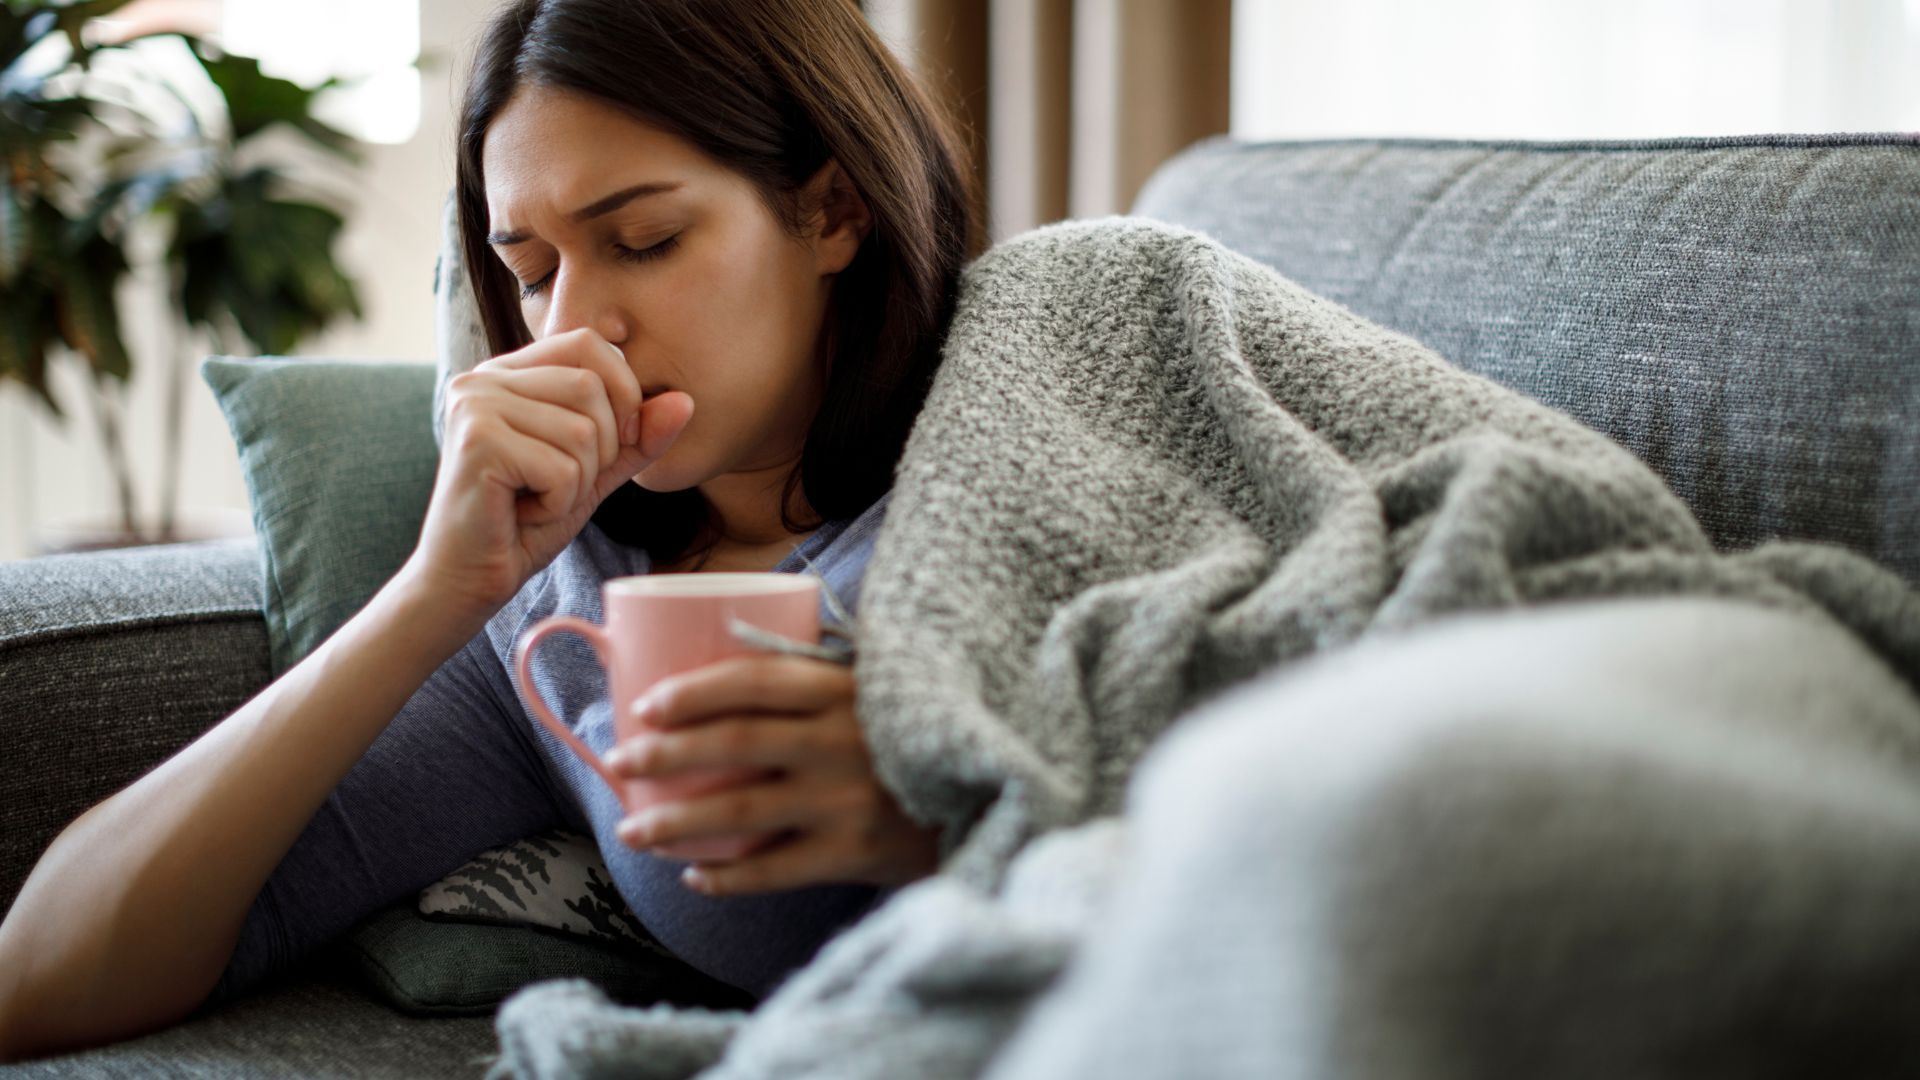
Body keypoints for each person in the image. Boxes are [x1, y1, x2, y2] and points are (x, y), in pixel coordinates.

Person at [0, 0, 976, 1061]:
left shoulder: (1033, 448)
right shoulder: (557, 621)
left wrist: (948, 828)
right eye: (534, 271)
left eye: (644, 241)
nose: (570, 328)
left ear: (834, 211)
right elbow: (38, 981)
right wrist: (433, 593)